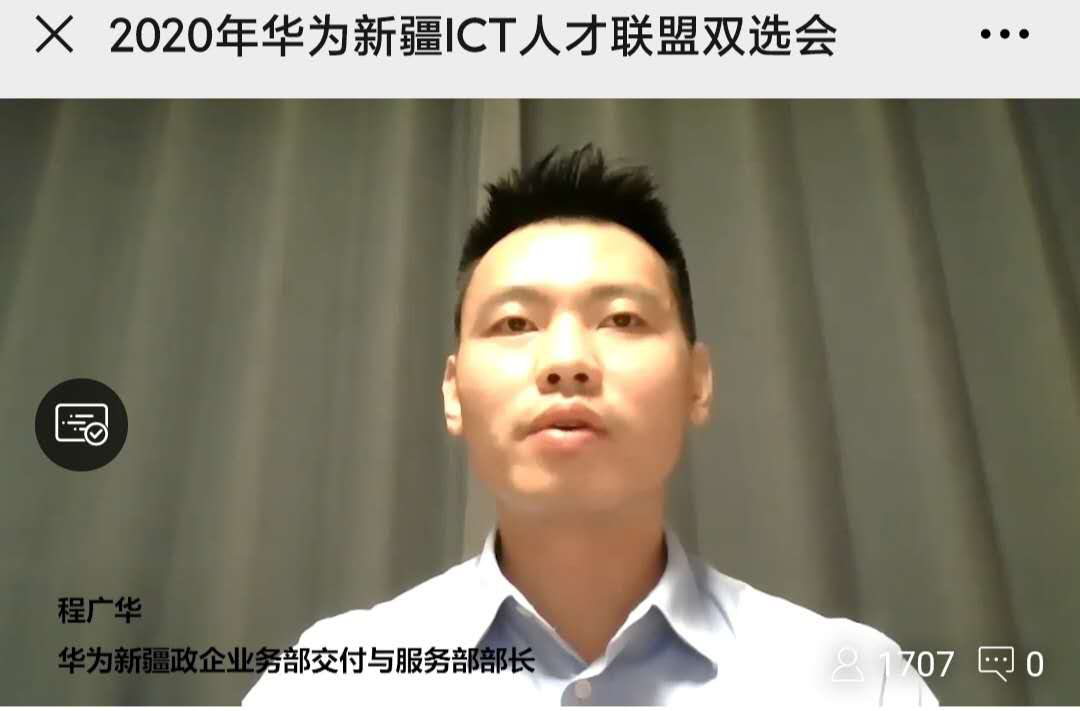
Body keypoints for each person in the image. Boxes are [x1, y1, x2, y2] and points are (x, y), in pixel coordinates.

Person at [242, 145, 938, 706]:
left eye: (622, 319)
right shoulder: (330, 683)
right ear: (453, 392)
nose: (567, 361)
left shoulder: (856, 683)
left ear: (698, 381)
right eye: (515, 323)